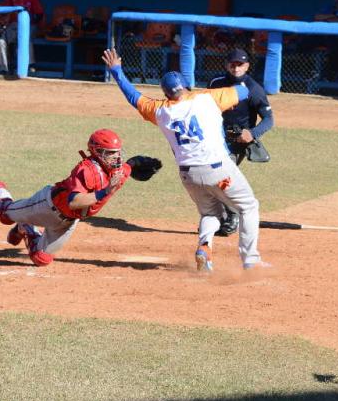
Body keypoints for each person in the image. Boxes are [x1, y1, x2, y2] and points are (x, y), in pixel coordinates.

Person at [102, 48, 265, 272]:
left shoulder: (160, 110)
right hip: (219, 169)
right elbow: (244, 91)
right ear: (187, 86)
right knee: (248, 207)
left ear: (166, 93)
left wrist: (117, 71)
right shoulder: (208, 98)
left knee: (209, 213)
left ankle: (205, 248)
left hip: (189, 175)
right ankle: (250, 260)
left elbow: (134, 97)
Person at [0, 130, 134, 267]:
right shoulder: (86, 170)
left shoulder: (117, 172)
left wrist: (143, 164)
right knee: (4, 214)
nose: (117, 158)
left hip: (69, 222)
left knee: (41, 259)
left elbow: (131, 166)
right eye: (110, 153)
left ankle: (26, 228)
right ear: (96, 152)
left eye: (118, 153)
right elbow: (74, 202)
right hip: (48, 206)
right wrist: (106, 190)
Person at [208, 48, 274, 236]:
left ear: (247, 66)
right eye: (232, 63)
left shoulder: (254, 89)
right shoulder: (216, 83)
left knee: (220, 177)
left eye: (240, 64)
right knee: (208, 177)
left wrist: (252, 134)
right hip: (214, 139)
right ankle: (219, 217)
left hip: (236, 142)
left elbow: (269, 119)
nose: (236, 67)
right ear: (226, 64)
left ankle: (232, 214)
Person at [0, 0, 44, 75]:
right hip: (14, 25)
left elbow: (39, 14)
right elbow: (4, 10)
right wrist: (4, 18)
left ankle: (30, 65)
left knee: (26, 39)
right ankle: (4, 68)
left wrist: (33, 24)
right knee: (1, 41)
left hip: (29, 25)